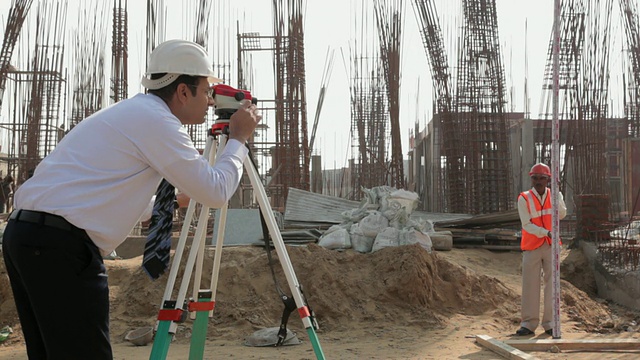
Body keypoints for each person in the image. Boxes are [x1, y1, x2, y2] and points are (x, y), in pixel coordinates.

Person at [1, 39, 261, 359]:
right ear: (182, 91)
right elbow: (217, 191)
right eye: (206, 91)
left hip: (28, 238)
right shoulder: (158, 122)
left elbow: (102, 194)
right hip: (59, 247)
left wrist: (168, 203)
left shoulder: (133, 112)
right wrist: (238, 139)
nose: (210, 102)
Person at [515, 163, 567, 336]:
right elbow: (526, 224)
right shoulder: (524, 198)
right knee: (530, 284)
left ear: (548, 180)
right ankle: (528, 324)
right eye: (535, 178)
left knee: (552, 285)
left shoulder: (554, 195)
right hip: (532, 246)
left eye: (542, 178)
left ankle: (551, 323)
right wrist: (546, 232)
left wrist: (558, 197)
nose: (538, 181)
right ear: (531, 178)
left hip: (551, 246)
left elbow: (562, 214)